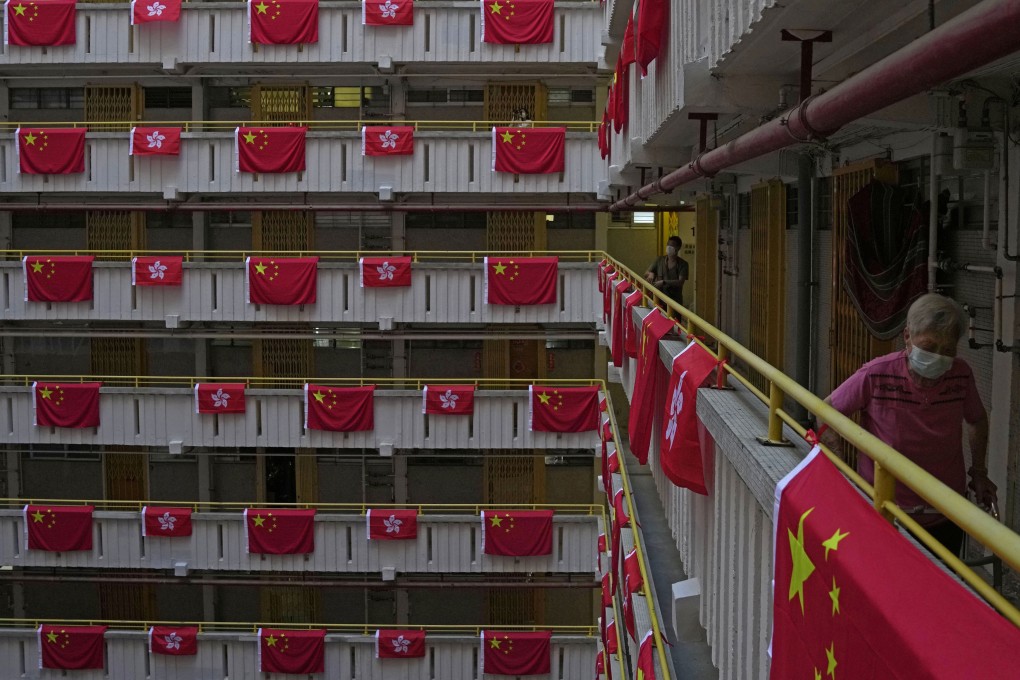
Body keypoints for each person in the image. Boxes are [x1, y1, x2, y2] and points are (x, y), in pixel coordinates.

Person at [823, 293, 997, 557]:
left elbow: (976, 419)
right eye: (928, 346)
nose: (938, 356)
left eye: (947, 350)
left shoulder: (960, 374)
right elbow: (827, 412)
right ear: (907, 337)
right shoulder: (877, 373)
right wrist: (844, 476)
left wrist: (980, 472)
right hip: (885, 510)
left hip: (945, 512)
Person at [644, 235, 688, 305]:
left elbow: (680, 282)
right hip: (658, 300)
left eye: (672, 246)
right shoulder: (659, 260)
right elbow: (646, 273)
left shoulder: (683, 264)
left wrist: (664, 282)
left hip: (674, 302)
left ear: (678, 248)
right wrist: (651, 273)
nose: (668, 247)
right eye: (668, 244)